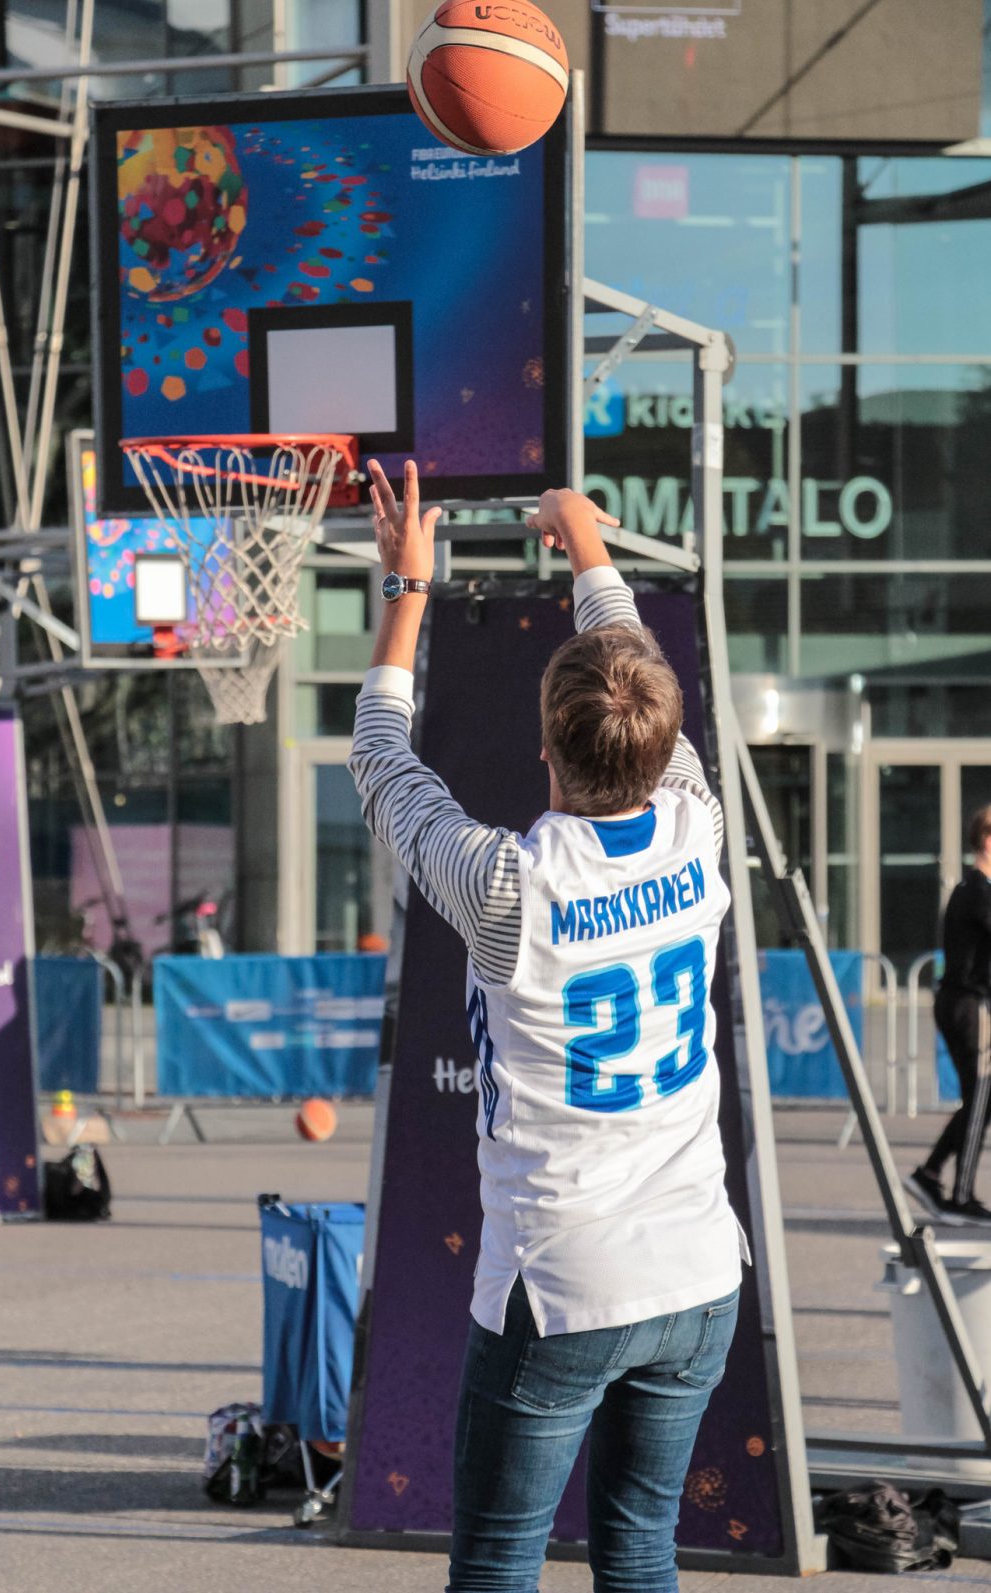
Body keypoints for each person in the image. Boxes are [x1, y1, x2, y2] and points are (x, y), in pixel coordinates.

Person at [348, 460, 748, 1593]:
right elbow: (641, 675)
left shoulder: (509, 886)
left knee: (498, 1564)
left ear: (545, 750)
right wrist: (588, 547)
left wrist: (407, 588)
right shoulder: (698, 823)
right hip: (697, 1271)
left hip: (566, 1280)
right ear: (659, 746)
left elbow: (380, 760)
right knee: (641, 1550)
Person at [906, 805, 991, 1228]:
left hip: (963, 1002)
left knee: (980, 1097)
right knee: (981, 1096)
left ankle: (930, 1174)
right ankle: (960, 1194)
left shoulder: (971, 888)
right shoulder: (978, 890)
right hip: (969, 1005)